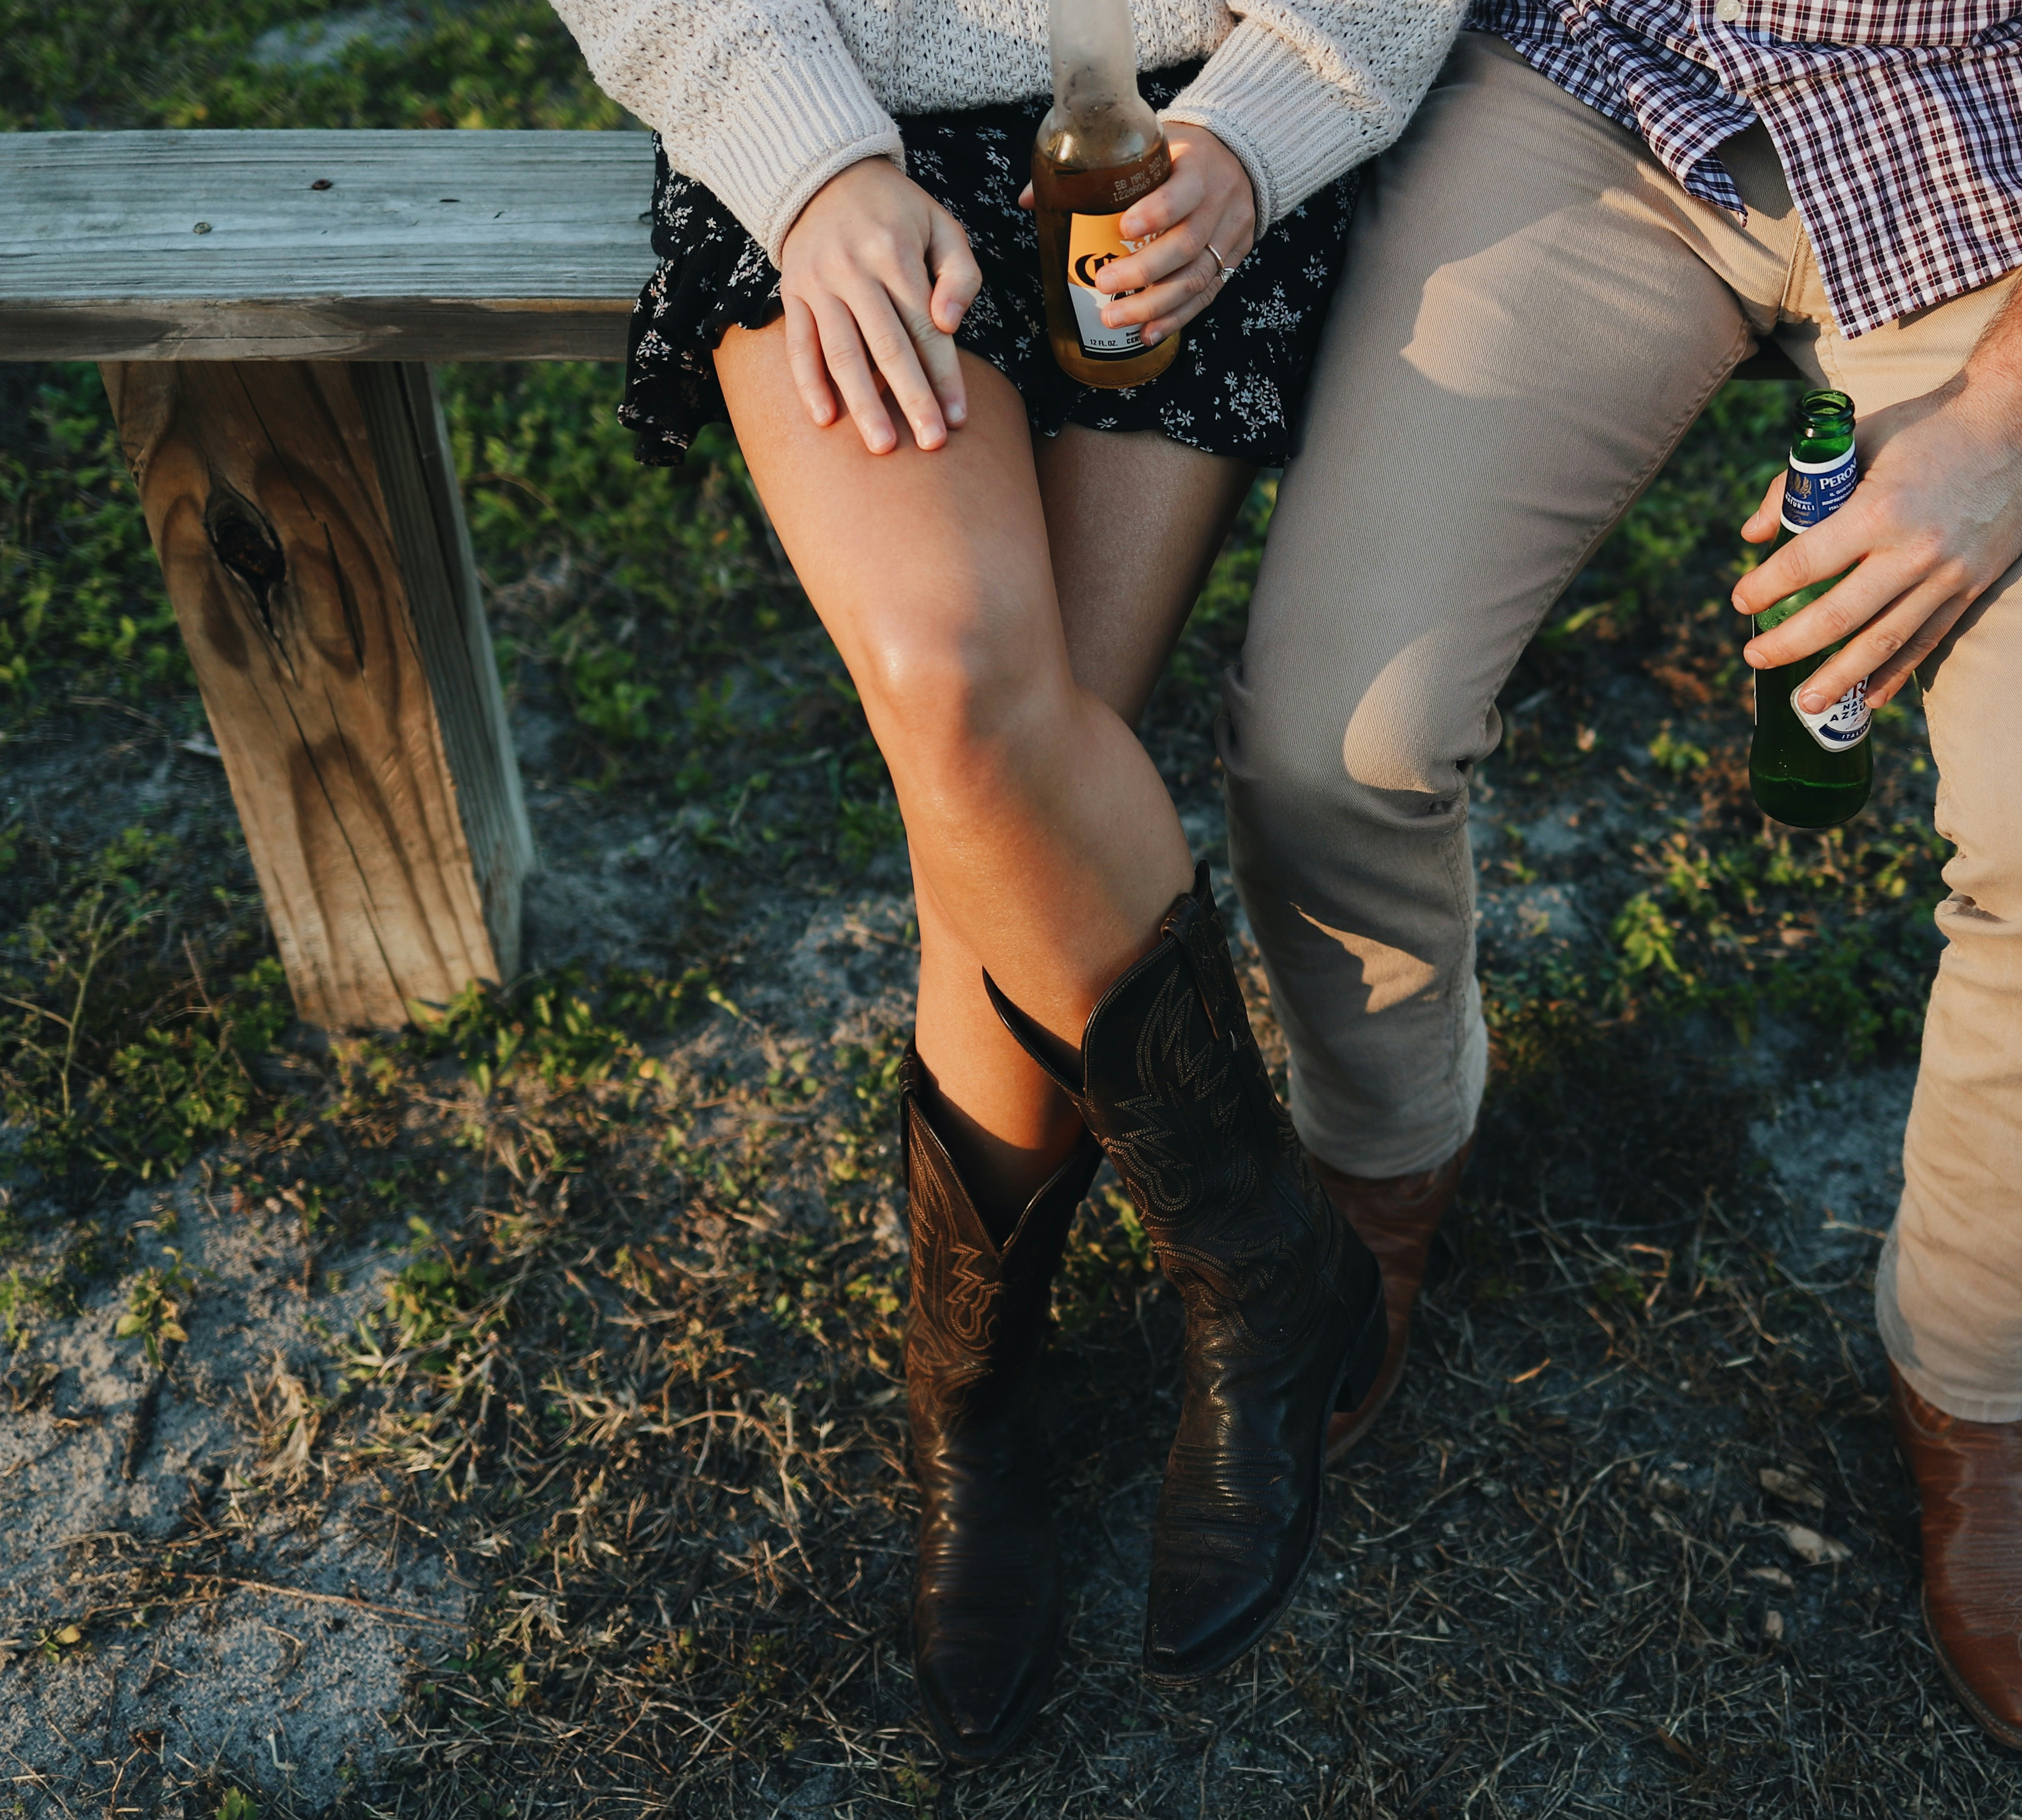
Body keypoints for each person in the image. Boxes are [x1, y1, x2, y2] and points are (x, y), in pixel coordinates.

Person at [1217, 0, 2022, 1752]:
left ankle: (1984, 1391)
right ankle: (1383, 1164)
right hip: (1605, 59)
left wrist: (2008, 432)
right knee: (1336, 739)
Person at [547, 0, 1462, 1763]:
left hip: (1183, 152)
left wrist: (1265, 135)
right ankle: (1265, 1264)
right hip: (831, 128)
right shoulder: (815, 147)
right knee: (963, 693)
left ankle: (969, 1389)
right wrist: (808, 169)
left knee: (1014, 806)